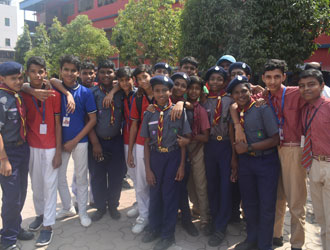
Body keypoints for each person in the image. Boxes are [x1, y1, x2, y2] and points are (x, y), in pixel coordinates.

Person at [227, 76, 280, 250]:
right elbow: (234, 108)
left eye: (244, 91)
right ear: (233, 96)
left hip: (265, 161)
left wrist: (249, 147)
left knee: (266, 205)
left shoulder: (261, 108)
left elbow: (275, 139)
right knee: (249, 204)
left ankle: (265, 245)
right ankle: (252, 239)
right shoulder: (236, 109)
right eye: (237, 92)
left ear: (251, 91)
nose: (241, 95)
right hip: (246, 163)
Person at [140, 75, 191, 250]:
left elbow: (183, 140)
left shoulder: (178, 111)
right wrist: (147, 169)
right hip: (155, 158)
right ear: (152, 92)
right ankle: (154, 228)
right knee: (155, 195)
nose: (161, 94)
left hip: (173, 157)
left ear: (170, 91)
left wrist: (182, 165)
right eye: (157, 91)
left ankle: (168, 236)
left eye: (164, 90)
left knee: (170, 197)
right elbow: (146, 143)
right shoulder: (149, 113)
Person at [21, 56, 61, 247]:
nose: (37, 75)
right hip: (32, 146)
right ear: (27, 73)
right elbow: (16, 85)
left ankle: (48, 226)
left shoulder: (54, 94)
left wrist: (59, 151)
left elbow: (58, 124)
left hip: (51, 147)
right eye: (33, 71)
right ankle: (40, 215)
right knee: (36, 185)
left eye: (41, 71)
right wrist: (29, 89)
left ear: (46, 73)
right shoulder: (23, 94)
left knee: (49, 185)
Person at [55, 55, 97, 228]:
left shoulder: (86, 93)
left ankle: (83, 212)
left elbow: (93, 120)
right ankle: (67, 207)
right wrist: (66, 93)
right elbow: (37, 83)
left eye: (73, 70)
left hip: (80, 141)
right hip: (60, 142)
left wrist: (74, 141)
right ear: (60, 71)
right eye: (66, 69)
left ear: (78, 73)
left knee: (81, 177)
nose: (69, 73)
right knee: (58, 176)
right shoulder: (55, 89)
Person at [0, 62, 34, 250]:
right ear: (2, 79)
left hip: (23, 149)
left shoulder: (18, 95)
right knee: (11, 197)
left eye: (20, 77)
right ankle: (7, 240)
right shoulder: (1, 100)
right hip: (8, 153)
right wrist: (3, 159)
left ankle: (14, 227)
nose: (18, 81)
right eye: (13, 78)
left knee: (20, 193)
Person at [201, 66, 235, 247]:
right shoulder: (204, 102)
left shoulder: (230, 100)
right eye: (212, 78)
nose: (215, 82)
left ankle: (221, 227)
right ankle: (214, 220)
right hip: (210, 145)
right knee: (212, 185)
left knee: (225, 187)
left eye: (219, 79)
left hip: (226, 146)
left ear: (225, 81)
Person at [88, 60, 126, 221]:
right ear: (97, 73)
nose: (106, 75)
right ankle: (100, 207)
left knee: (116, 175)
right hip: (97, 141)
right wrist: (95, 143)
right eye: (102, 72)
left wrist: (114, 90)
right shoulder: (92, 92)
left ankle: (113, 206)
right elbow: (87, 119)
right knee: (98, 176)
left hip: (116, 140)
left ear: (114, 73)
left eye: (109, 72)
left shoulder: (121, 92)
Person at [298, 69, 330, 250]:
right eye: (302, 86)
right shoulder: (305, 110)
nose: (306, 89)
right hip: (314, 165)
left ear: (322, 86)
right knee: (321, 219)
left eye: (311, 84)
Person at [126, 64, 153, 234]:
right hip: (142, 144)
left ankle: (156, 214)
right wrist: (130, 151)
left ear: (152, 75)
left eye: (145, 76)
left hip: (161, 145)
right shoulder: (138, 98)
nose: (143, 81)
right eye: (139, 79)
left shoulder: (162, 92)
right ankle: (144, 215)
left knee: (157, 182)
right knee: (142, 182)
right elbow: (134, 125)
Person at [185, 75, 212, 235]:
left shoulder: (200, 110)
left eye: (197, 88)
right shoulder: (180, 106)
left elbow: (205, 136)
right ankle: (196, 208)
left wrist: (190, 138)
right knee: (189, 184)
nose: (194, 91)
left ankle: (205, 218)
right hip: (183, 149)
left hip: (197, 148)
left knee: (201, 184)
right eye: (191, 88)